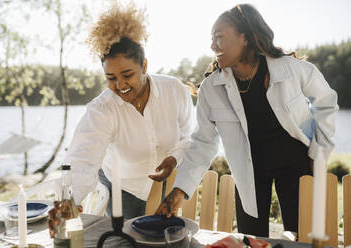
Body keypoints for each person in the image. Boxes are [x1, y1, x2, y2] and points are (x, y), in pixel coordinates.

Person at [155, 4, 338, 237]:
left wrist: (319, 154)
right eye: (212, 39)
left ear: (245, 37)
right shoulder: (212, 88)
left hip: (295, 164)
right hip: (249, 171)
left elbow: (326, 102)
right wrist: (179, 190)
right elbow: (203, 142)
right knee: (250, 240)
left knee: (301, 237)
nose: (212, 46)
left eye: (219, 37)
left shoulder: (291, 69)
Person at [48, 2, 195, 237]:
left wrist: (174, 158)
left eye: (128, 75)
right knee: (126, 241)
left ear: (144, 65)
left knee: (169, 240)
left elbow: (192, 136)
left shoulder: (174, 90)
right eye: (111, 78)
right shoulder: (102, 109)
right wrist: (68, 200)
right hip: (123, 189)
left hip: (168, 185)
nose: (120, 85)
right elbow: (83, 159)